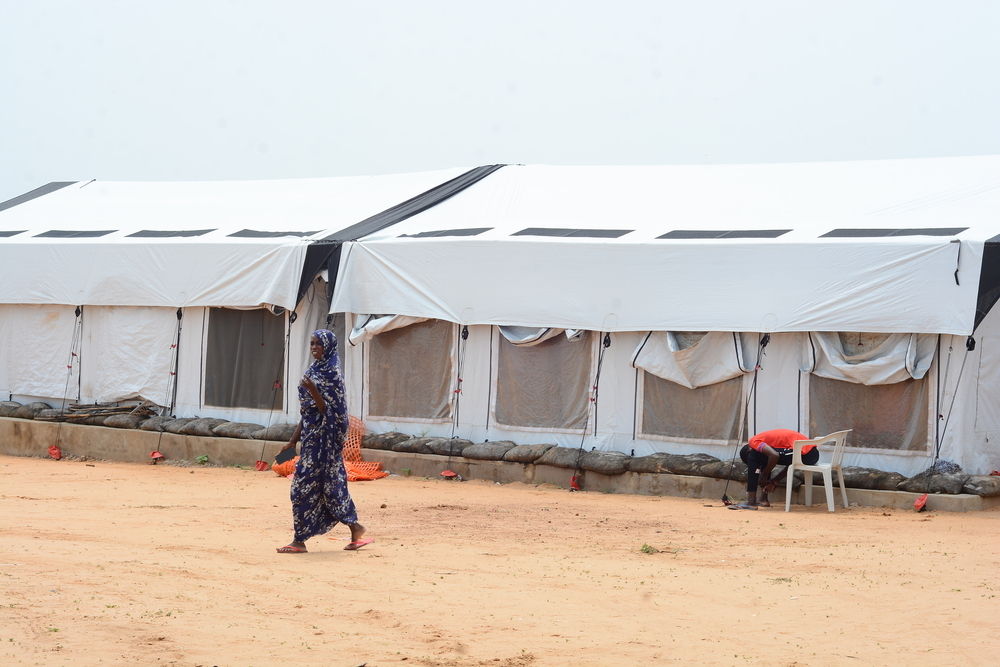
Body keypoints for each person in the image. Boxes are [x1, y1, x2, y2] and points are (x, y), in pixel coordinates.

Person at [276, 329, 371, 553]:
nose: (314, 347)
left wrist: (313, 390)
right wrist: (292, 442)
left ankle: (302, 540)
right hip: (311, 442)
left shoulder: (332, 373)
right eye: (312, 343)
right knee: (312, 488)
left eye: (318, 344)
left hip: (326, 444)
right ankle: (353, 528)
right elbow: (308, 413)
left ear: (328, 346)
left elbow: (332, 412)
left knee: (326, 488)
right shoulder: (314, 370)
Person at [732, 428, 820, 509]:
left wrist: (764, 475)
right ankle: (763, 499)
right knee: (765, 458)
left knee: (754, 455)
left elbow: (774, 455)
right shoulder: (765, 443)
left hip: (807, 453)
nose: (755, 465)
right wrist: (774, 481)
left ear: (748, 449)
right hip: (809, 454)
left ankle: (751, 502)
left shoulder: (753, 442)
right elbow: (790, 465)